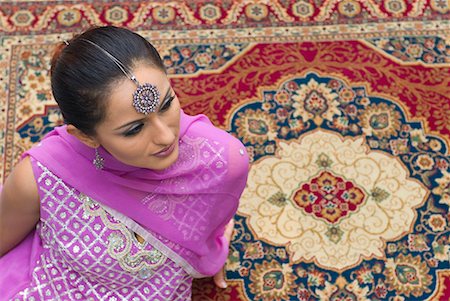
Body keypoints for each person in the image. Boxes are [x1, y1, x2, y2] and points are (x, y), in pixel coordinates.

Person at [0, 26, 249, 300]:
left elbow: (208, 226)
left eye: (166, 104)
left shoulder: (219, 161)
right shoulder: (40, 178)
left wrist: (207, 249)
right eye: (133, 129)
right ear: (85, 136)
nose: (166, 136)